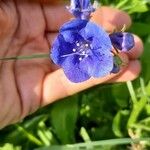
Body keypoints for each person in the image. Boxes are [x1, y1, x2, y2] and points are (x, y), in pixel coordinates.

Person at [0, 0, 143, 129]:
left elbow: (100, 53)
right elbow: (62, 51)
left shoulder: (97, 42)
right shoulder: (74, 40)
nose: (84, 48)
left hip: (96, 40)